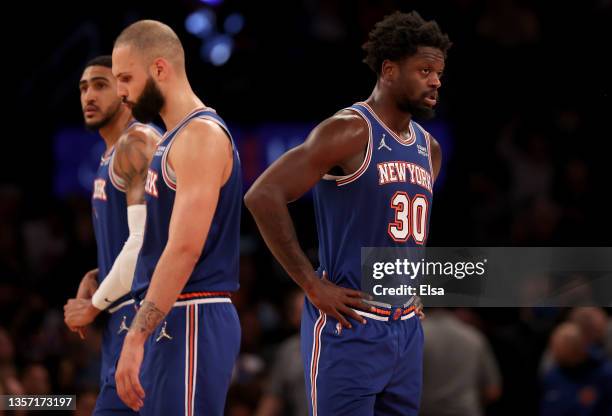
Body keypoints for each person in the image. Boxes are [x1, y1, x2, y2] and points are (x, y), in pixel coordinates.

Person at [245, 11, 450, 415]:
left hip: (406, 326)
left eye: (439, 72)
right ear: (389, 70)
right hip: (350, 324)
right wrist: (310, 282)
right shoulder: (350, 130)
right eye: (425, 70)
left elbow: (405, 233)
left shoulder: (430, 149)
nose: (436, 81)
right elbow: (262, 195)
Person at [111, 20, 242, 415]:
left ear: (160, 69)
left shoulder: (200, 136)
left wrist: (135, 337)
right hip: (172, 313)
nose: (121, 92)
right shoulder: (171, 139)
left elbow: (185, 248)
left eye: (126, 78)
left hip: (193, 313)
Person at [63, 55, 160, 415]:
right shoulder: (110, 154)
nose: (89, 95)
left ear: (124, 91)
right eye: (84, 88)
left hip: (144, 326)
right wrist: (98, 275)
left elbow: (145, 243)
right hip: (119, 325)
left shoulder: (137, 143)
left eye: (100, 86)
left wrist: (93, 305)